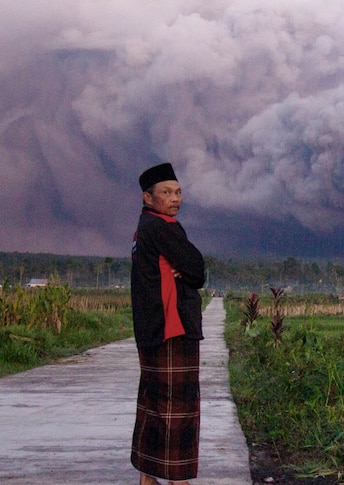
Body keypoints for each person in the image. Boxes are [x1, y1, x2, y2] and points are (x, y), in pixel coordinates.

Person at [130, 162, 205, 485]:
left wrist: (184, 270)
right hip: (171, 329)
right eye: (166, 192)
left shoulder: (144, 227)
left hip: (152, 329)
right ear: (148, 198)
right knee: (178, 408)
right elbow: (197, 268)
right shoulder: (162, 227)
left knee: (154, 404)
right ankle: (178, 480)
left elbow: (187, 268)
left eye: (178, 192)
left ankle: (148, 478)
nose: (175, 198)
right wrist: (187, 270)